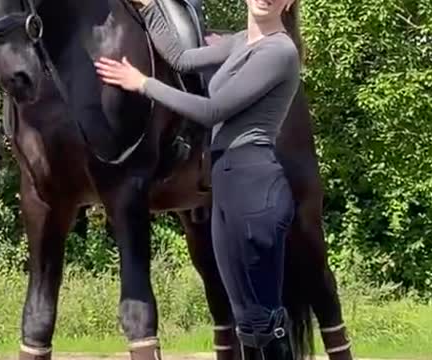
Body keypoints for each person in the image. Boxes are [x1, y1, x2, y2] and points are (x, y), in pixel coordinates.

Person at [94, 0, 301, 358]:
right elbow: (182, 59)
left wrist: (143, 83)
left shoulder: (279, 52)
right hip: (226, 184)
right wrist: (148, 9)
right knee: (246, 320)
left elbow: (211, 110)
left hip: (254, 186)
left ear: (290, 3)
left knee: (265, 319)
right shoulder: (241, 42)